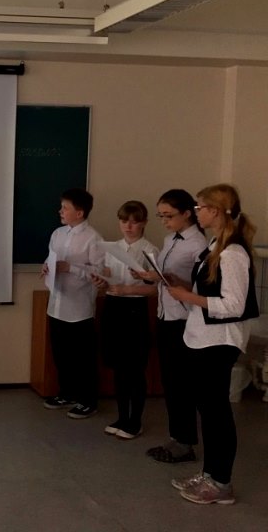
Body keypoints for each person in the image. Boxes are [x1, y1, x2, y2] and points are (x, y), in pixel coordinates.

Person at [166, 184, 258, 505]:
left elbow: (233, 304)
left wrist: (187, 296)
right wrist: (182, 287)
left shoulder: (233, 253)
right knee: (207, 410)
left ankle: (220, 482)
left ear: (215, 211)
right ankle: (209, 474)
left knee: (216, 413)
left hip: (219, 342)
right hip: (202, 338)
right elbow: (207, 292)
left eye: (199, 207)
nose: (196, 212)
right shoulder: (215, 246)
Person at [132, 189, 207, 463]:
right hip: (165, 315)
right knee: (170, 382)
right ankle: (177, 438)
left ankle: (185, 442)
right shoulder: (169, 239)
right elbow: (166, 276)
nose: (164, 221)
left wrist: (174, 280)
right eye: (161, 216)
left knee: (181, 383)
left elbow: (202, 286)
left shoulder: (198, 244)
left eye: (169, 216)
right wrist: (151, 276)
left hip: (184, 320)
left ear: (187, 213)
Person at [91, 201, 158, 440]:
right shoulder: (112, 247)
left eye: (134, 222)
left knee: (134, 368)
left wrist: (131, 287)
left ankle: (135, 420)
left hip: (134, 309)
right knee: (118, 367)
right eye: (124, 221)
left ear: (144, 223)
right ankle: (122, 417)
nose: (128, 226)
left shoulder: (149, 250)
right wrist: (101, 281)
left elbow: (156, 288)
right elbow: (108, 275)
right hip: (113, 307)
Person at [41, 188, 105, 419]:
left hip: (79, 308)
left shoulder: (93, 238)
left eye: (65, 208)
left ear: (80, 212)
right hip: (57, 303)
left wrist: (72, 268)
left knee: (83, 358)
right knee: (61, 354)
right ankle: (66, 393)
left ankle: (88, 400)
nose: (60, 211)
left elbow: (100, 271)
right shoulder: (57, 234)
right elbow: (51, 258)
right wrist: (46, 267)